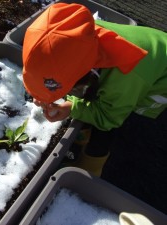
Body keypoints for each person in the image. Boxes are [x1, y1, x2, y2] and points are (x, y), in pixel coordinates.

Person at [22, 2, 167, 214]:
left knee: (113, 119)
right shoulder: (79, 38)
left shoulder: (125, 77)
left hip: (159, 77)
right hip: (152, 50)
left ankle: (91, 168)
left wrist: (72, 107)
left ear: (85, 75)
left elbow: (109, 116)